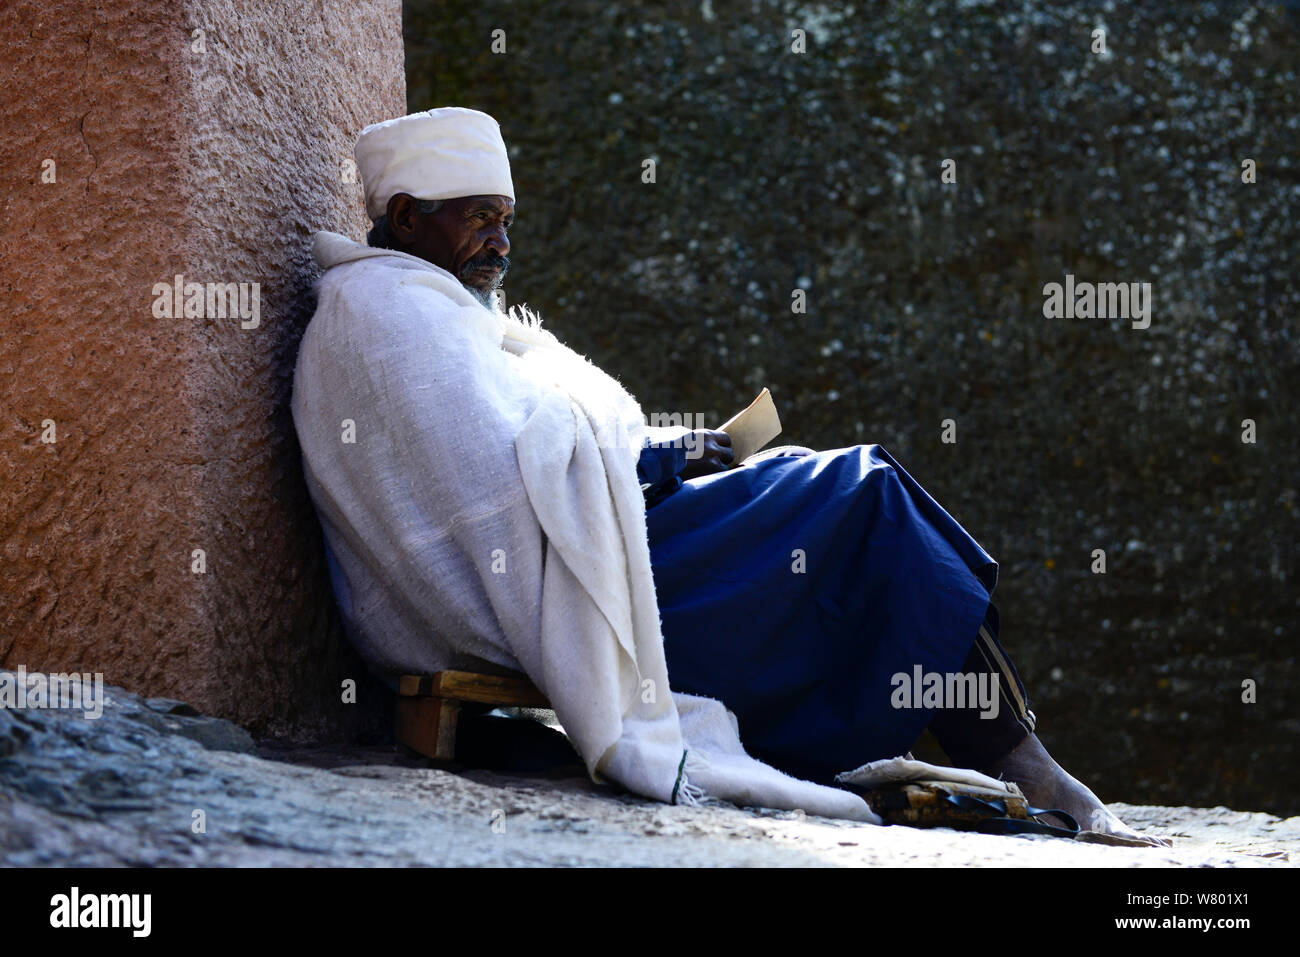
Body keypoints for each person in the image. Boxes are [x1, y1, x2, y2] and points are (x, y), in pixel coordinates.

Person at [291, 108, 1167, 845]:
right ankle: (1027, 763)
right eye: (477, 216)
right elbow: (497, 502)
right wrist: (662, 462)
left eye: (508, 219)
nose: (500, 239)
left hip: (602, 544)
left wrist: (671, 455)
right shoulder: (390, 315)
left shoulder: (428, 306)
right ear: (405, 217)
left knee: (840, 490)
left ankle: (1017, 753)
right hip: (570, 586)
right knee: (862, 496)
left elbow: (523, 457)